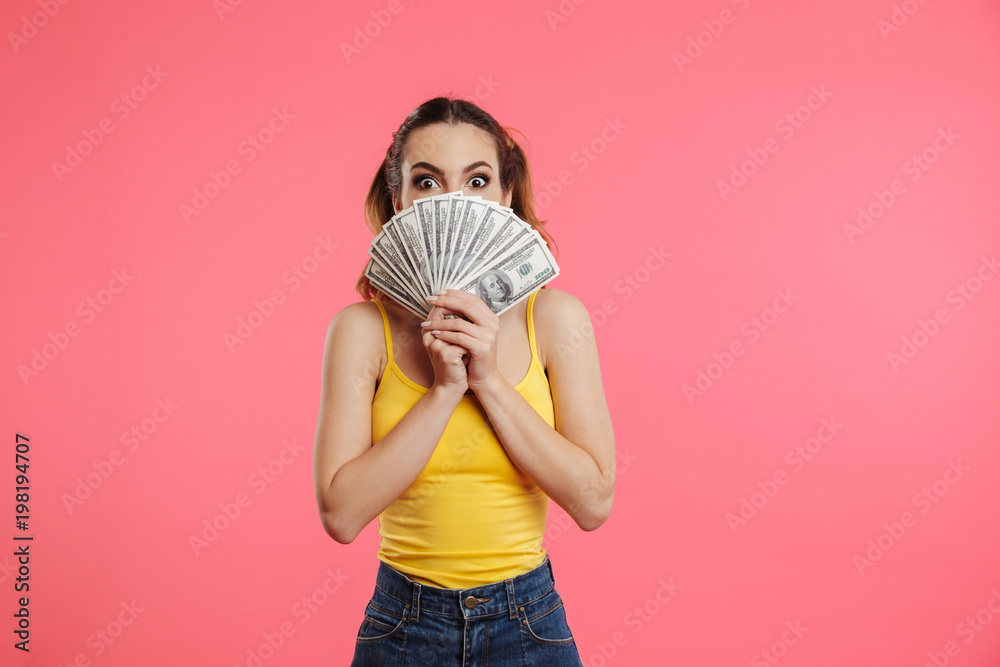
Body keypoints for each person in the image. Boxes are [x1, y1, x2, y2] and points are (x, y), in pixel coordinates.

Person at [312, 96, 615, 665]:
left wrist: (489, 381)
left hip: (527, 618)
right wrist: (445, 388)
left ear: (505, 195)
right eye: (426, 183)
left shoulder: (555, 321)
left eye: (477, 181)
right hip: (404, 621)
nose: (453, 202)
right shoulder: (360, 330)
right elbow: (342, 514)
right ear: (396, 199)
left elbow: (593, 502)